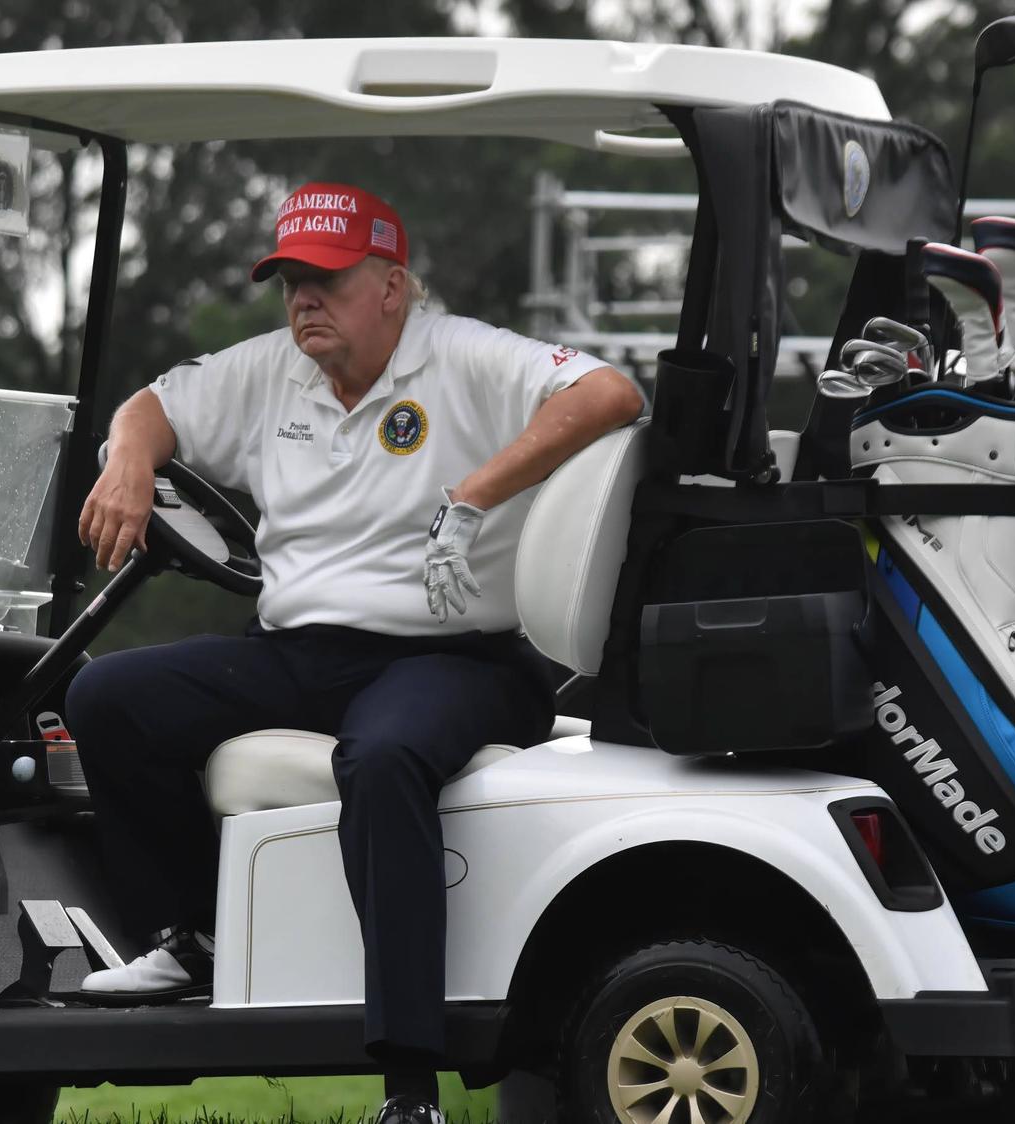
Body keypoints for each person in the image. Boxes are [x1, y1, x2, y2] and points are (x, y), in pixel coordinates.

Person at [66, 181, 642, 1124]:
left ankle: (409, 1082)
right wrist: (129, 458)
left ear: (393, 287)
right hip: (299, 652)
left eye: (328, 280)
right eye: (292, 280)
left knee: (379, 759)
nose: (305, 300)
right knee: (107, 699)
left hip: (455, 657)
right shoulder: (272, 370)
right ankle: (191, 936)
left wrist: (477, 493)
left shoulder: (458, 354)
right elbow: (151, 407)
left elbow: (611, 392)